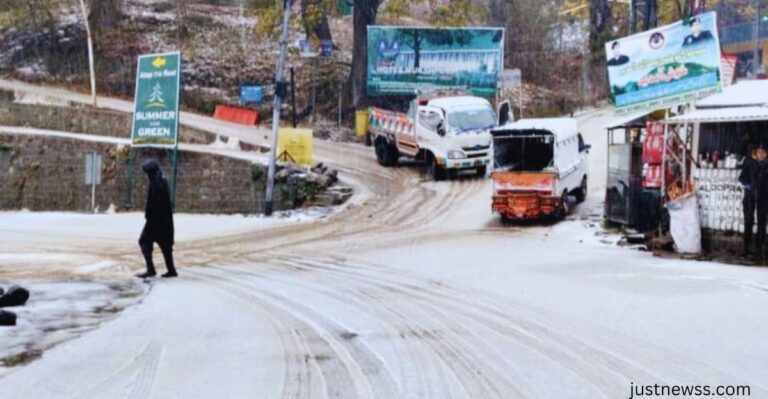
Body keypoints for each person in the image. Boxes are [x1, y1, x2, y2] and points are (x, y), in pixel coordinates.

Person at [137, 159, 177, 278]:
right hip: (164, 221)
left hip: (156, 222)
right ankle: (171, 269)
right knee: (165, 245)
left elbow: (156, 205)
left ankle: (151, 269)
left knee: (143, 241)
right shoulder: (161, 180)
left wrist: (150, 218)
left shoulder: (156, 184)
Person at [739, 144, 768, 259]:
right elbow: (742, 178)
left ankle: (760, 250)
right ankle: (745, 248)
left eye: (763, 152)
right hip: (750, 197)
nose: (761, 155)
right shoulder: (749, 163)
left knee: (762, 223)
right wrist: (747, 185)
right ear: (755, 153)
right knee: (748, 221)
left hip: (764, 197)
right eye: (759, 152)